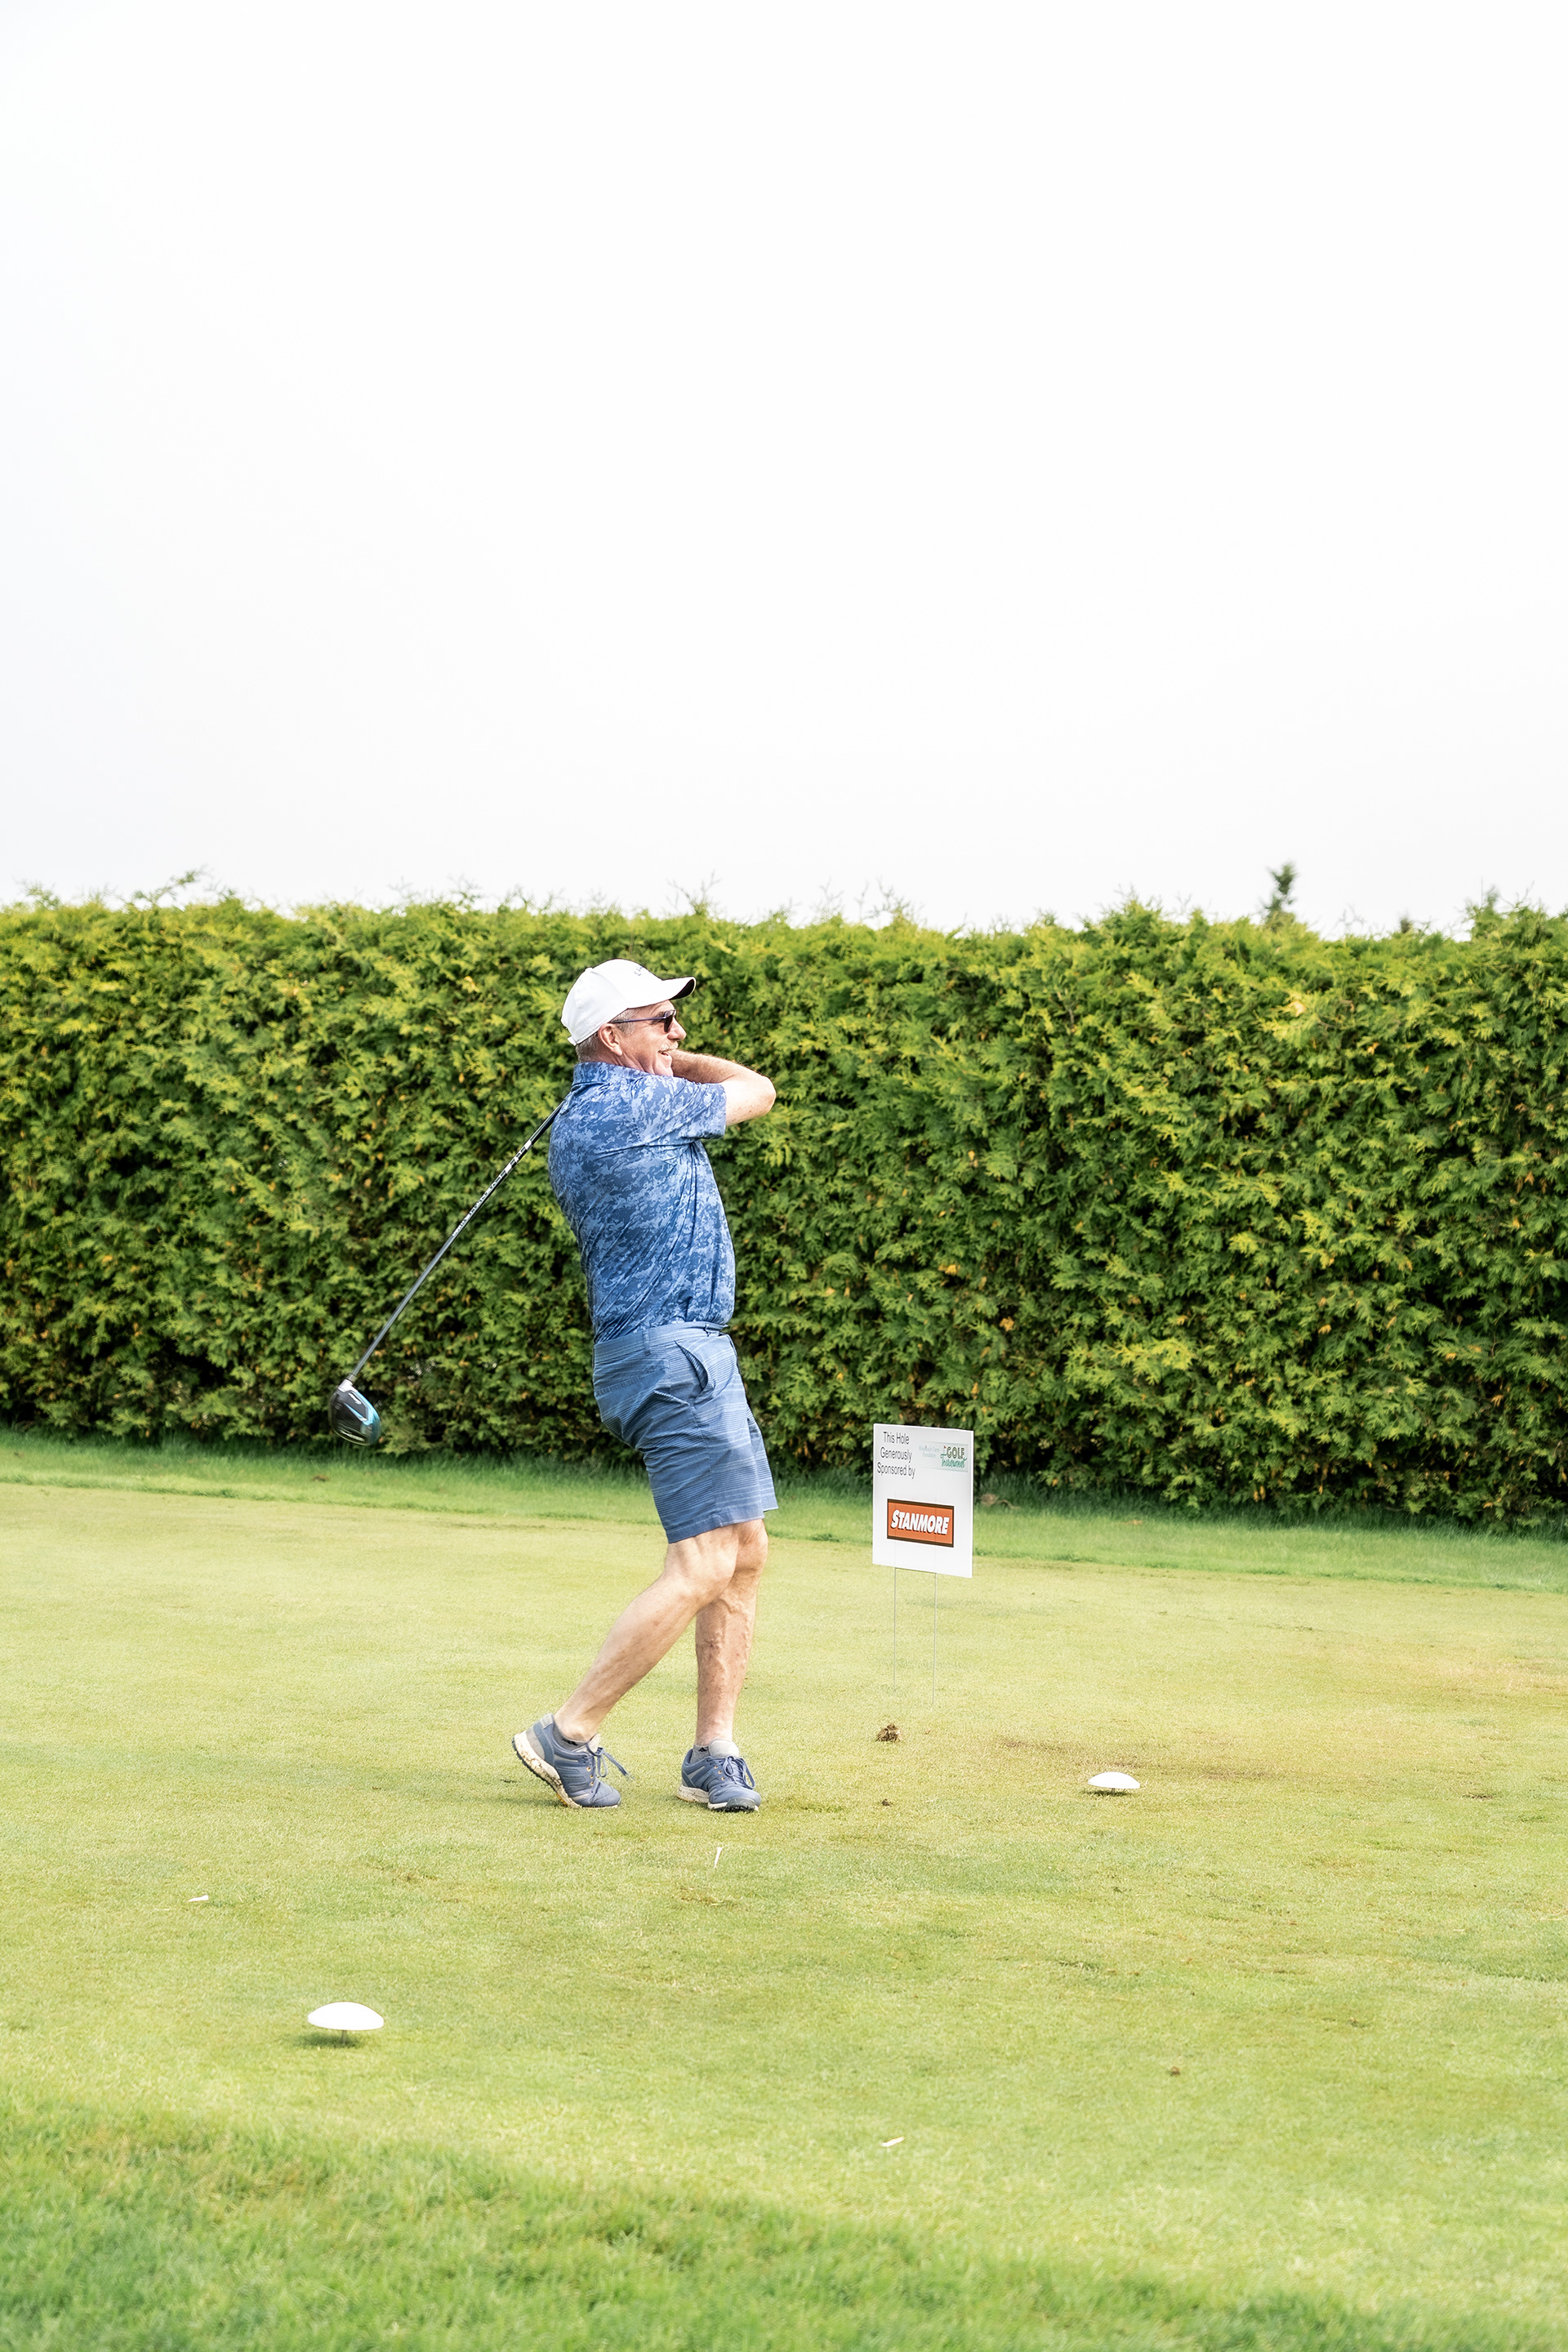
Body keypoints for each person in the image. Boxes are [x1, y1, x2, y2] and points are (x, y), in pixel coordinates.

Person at [513, 959, 779, 1813]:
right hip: (671, 1354)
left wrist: (659, 1056)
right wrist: (676, 1066)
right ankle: (568, 1732)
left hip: (689, 1349)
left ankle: (713, 1752)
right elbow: (758, 1090)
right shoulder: (629, 1106)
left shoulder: (618, 1102)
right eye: (660, 1020)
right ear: (610, 1035)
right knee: (705, 1562)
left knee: (743, 1551)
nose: (679, 1032)